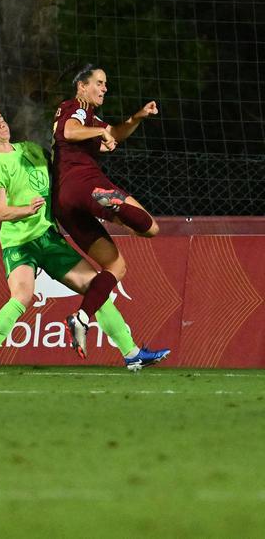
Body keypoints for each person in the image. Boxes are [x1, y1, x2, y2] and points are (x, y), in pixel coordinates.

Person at [0, 109, 169, 372]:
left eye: (2, 118)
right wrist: (26, 210)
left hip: (49, 238)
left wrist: (99, 148)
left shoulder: (30, 149)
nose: (2, 123)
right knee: (22, 295)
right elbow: (1, 211)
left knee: (96, 286)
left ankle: (132, 354)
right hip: (19, 242)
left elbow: (65, 169)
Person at [52, 65, 161, 353]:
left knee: (116, 267)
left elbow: (114, 132)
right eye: (99, 83)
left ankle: (81, 318)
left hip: (65, 204)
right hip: (83, 184)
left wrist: (137, 117)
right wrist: (100, 131)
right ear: (81, 86)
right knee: (149, 226)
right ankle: (110, 204)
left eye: (105, 84)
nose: (104, 88)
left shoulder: (90, 118)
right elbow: (70, 130)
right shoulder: (73, 107)